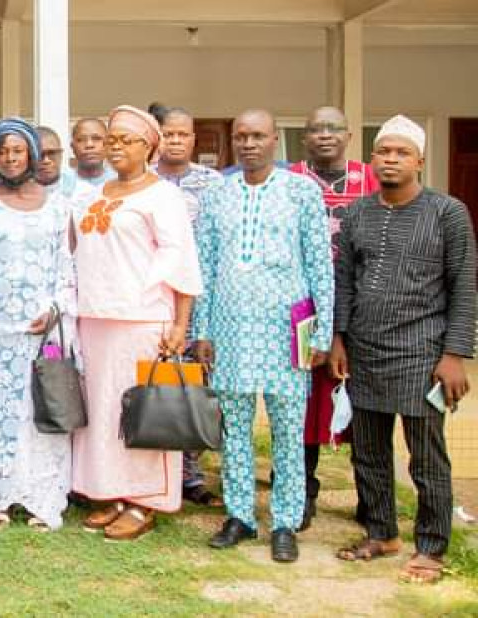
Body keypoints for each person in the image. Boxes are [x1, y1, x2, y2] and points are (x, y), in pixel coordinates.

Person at [332, 116, 476, 585]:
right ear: (372, 158)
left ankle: (431, 548)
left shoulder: (447, 212)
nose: (390, 159)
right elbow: (345, 283)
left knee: (426, 457)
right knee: (368, 452)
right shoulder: (357, 213)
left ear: (419, 159)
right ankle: (382, 532)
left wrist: (454, 354)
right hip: (365, 349)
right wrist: (338, 338)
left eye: (400, 153)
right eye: (383, 151)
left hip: (423, 350)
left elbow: (464, 287)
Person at [193, 109, 334, 563]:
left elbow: (319, 266)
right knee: (234, 428)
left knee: (289, 432)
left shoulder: (301, 191)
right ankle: (239, 516)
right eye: (241, 136)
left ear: (276, 140)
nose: (249, 143)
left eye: (258, 136)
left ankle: (286, 521)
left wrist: (321, 334)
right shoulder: (218, 193)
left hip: (287, 331)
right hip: (230, 330)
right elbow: (206, 265)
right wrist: (202, 330)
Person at [70, 106, 204, 541]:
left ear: (149, 147)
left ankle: (145, 500)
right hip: (95, 319)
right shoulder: (94, 192)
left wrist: (180, 323)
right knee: (106, 412)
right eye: (112, 139)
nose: (116, 147)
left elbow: (182, 262)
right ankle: (112, 493)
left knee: (141, 409)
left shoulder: (163, 196)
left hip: (143, 319)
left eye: (126, 140)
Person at [0, 117, 75, 531]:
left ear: (32, 156)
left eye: (17, 150)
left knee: (38, 409)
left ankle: (41, 499)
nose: (9, 157)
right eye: (2, 151)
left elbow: (66, 268)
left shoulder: (58, 205)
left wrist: (56, 310)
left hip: (40, 332)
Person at [288, 106, 379, 531]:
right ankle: (302, 492)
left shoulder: (370, 179)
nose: (324, 135)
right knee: (303, 405)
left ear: (348, 135)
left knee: (363, 406)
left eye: (333, 129)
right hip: (300, 310)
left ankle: (371, 497)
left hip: (359, 309)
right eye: (315, 129)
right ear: (304, 138)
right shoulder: (290, 179)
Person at [150, 105, 225, 508]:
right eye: (168, 134)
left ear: (194, 139)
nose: (175, 140)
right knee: (156, 384)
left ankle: (192, 476)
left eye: (183, 134)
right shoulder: (143, 181)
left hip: (201, 301)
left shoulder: (212, 184)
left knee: (194, 386)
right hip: (154, 299)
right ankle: (157, 470)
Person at [70, 118, 117, 189]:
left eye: (96, 138)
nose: (89, 145)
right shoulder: (61, 184)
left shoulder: (120, 181)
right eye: (81, 140)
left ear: (108, 144)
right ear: (73, 147)